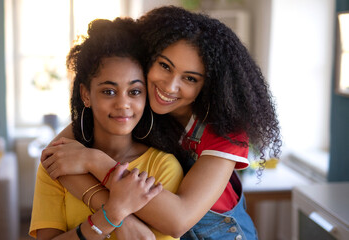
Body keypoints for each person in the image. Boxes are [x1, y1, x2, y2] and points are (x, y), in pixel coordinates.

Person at [41, 6, 281, 240]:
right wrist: (116, 215)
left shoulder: (226, 133)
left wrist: (93, 160)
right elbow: (55, 157)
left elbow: (178, 220)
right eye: (165, 66)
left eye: (189, 78)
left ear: (207, 85)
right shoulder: (140, 106)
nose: (169, 86)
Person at [30, 17, 186, 240]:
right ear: (86, 94)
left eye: (134, 92)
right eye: (109, 92)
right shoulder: (58, 163)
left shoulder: (163, 166)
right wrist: (111, 215)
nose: (123, 104)